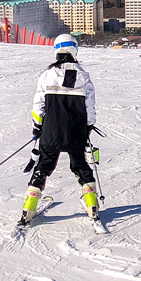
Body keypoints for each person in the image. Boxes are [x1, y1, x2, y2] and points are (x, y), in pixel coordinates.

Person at [19, 33, 99, 227]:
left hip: (51, 131)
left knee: (43, 167)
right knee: (81, 167)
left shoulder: (47, 75)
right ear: (74, 49)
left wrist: (37, 127)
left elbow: (38, 106)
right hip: (76, 131)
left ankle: (28, 209)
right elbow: (90, 108)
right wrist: (88, 127)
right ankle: (92, 206)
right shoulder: (83, 76)